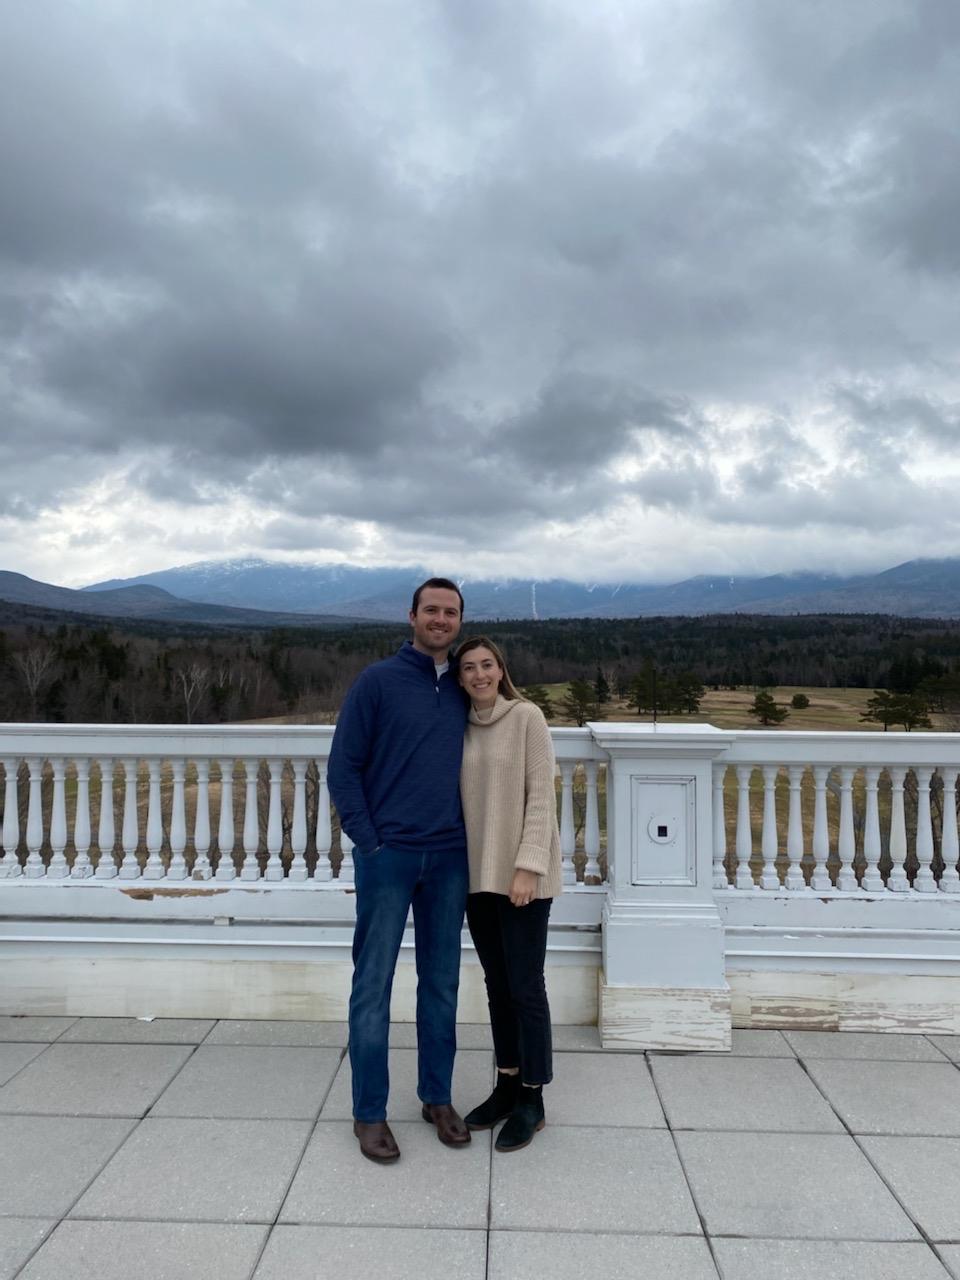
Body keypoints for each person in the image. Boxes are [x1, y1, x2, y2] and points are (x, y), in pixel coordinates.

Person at [328, 577, 471, 1164]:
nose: (440, 620)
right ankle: (369, 1112)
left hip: (451, 857)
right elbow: (343, 767)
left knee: (441, 983)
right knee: (373, 984)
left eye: (450, 612)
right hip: (389, 856)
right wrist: (370, 841)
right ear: (412, 616)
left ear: (459, 621)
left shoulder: (465, 686)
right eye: (431, 610)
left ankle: (437, 1097)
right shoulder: (378, 682)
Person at [455, 635, 562, 1152]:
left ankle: (532, 1098)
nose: (479, 675)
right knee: (497, 986)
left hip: (521, 878)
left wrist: (528, 867)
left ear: (501, 670)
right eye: (468, 667)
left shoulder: (526, 718)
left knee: (525, 986)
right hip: (476, 878)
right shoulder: (458, 726)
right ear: (459, 678)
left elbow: (541, 797)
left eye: (487, 665)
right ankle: (506, 1084)